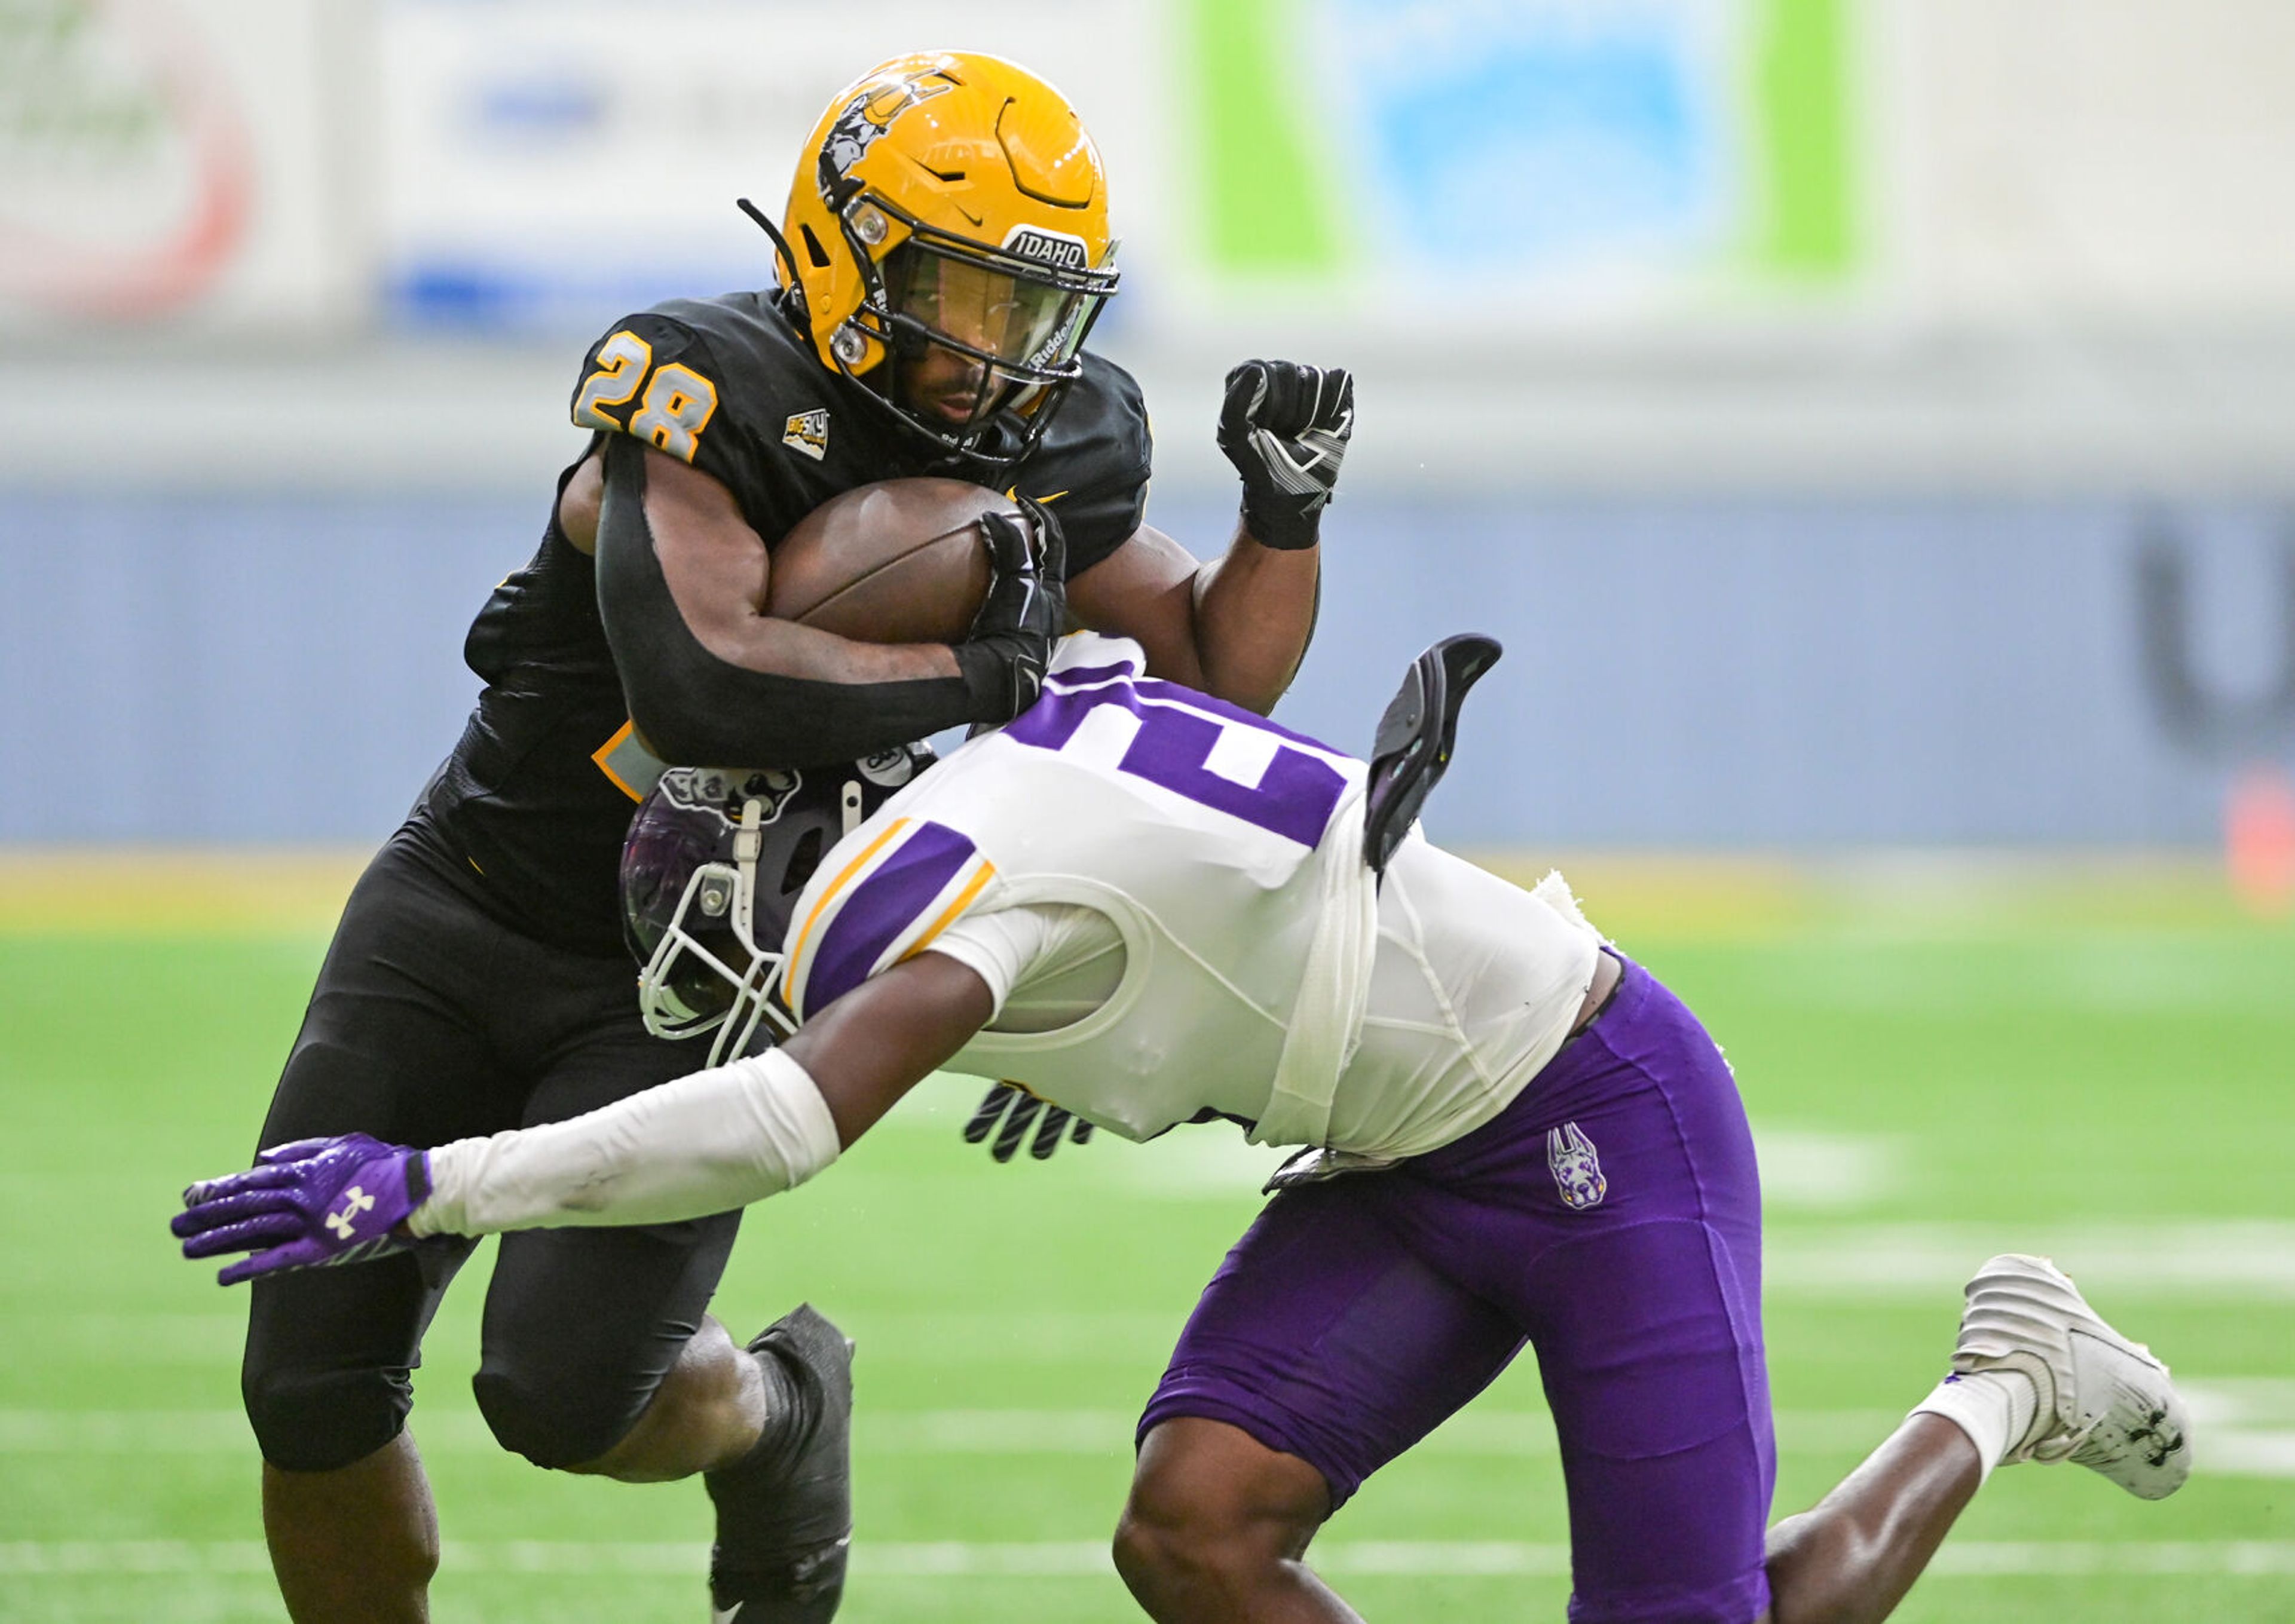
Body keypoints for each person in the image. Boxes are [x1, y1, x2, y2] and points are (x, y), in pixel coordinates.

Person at [176, 633, 2193, 1624]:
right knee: (1195, 1530)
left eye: (712, 901)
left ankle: (2010, 1380)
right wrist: (1104, 1023)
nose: (706, 950)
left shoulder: (941, 924)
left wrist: (429, 1183)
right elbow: (1134, 729)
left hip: (1594, 1116)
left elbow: (783, 1124)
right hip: (1392, 1154)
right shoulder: (1004, 777)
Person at [225, 47, 1351, 1624]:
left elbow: (1216, 671)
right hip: (467, 903)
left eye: (1029, 315)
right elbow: (697, 682)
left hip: (702, 975)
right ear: (841, 252)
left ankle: (777, 1413)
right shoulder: (699, 384)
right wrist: (979, 670)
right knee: (311, 1384)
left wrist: (1281, 524)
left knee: (564, 1395)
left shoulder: (1048, 442)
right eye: (959, 302)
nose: (996, 358)